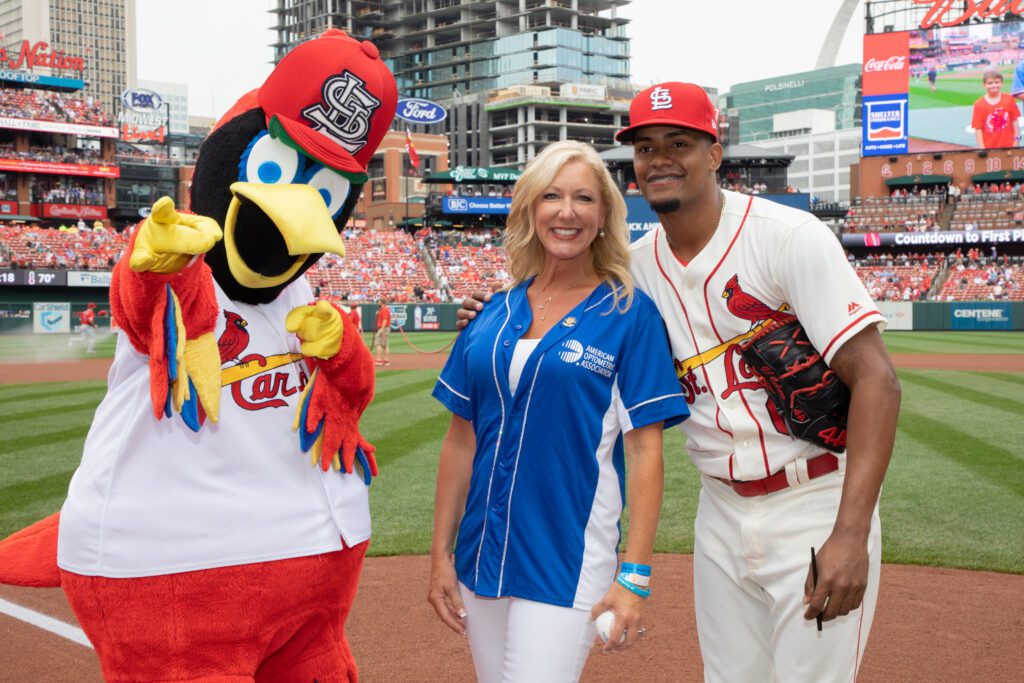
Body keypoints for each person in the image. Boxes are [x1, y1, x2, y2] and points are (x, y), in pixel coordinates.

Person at [459, 82, 901, 682]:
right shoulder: (635, 271)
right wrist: (496, 315)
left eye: (679, 142)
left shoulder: (786, 237)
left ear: (715, 152)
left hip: (814, 498)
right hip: (719, 508)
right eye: (645, 147)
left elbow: (877, 380)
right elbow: (559, 302)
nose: (659, 158)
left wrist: (849, 535)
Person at [429, 141, 688, 682]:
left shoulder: (629, 313)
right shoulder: (494, 311)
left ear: (603, 217)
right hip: (483, 554)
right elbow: (460, 440)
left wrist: (634, 574)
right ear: (530, 209)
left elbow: (644, 451)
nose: (566, 212)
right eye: (551, 196)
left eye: (583, 198)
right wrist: (439, 554)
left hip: (567, 556)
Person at [971, 70, 1020, 149]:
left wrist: (1016, 140)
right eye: (990, 83)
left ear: (1001, 83)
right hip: (989, 147)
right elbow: (978, 128)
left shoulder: (1009, 99)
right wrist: (982, 147)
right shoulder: (979, 104)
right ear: (984, 85)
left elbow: (1014, 120)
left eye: (997, 82)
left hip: (1009, 145)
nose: (994, 85)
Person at [373, 296, 391, 366]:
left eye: (379, 302)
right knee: (385, 345)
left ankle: (379, 360)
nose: (378, 303)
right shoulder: (382, 310)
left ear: (381, 302)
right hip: (385, 328)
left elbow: (385, 320)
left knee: (378, 344)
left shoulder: (385, 310)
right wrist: (378, 313)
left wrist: (381, 330)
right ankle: (386, 360)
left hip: (384, 328)